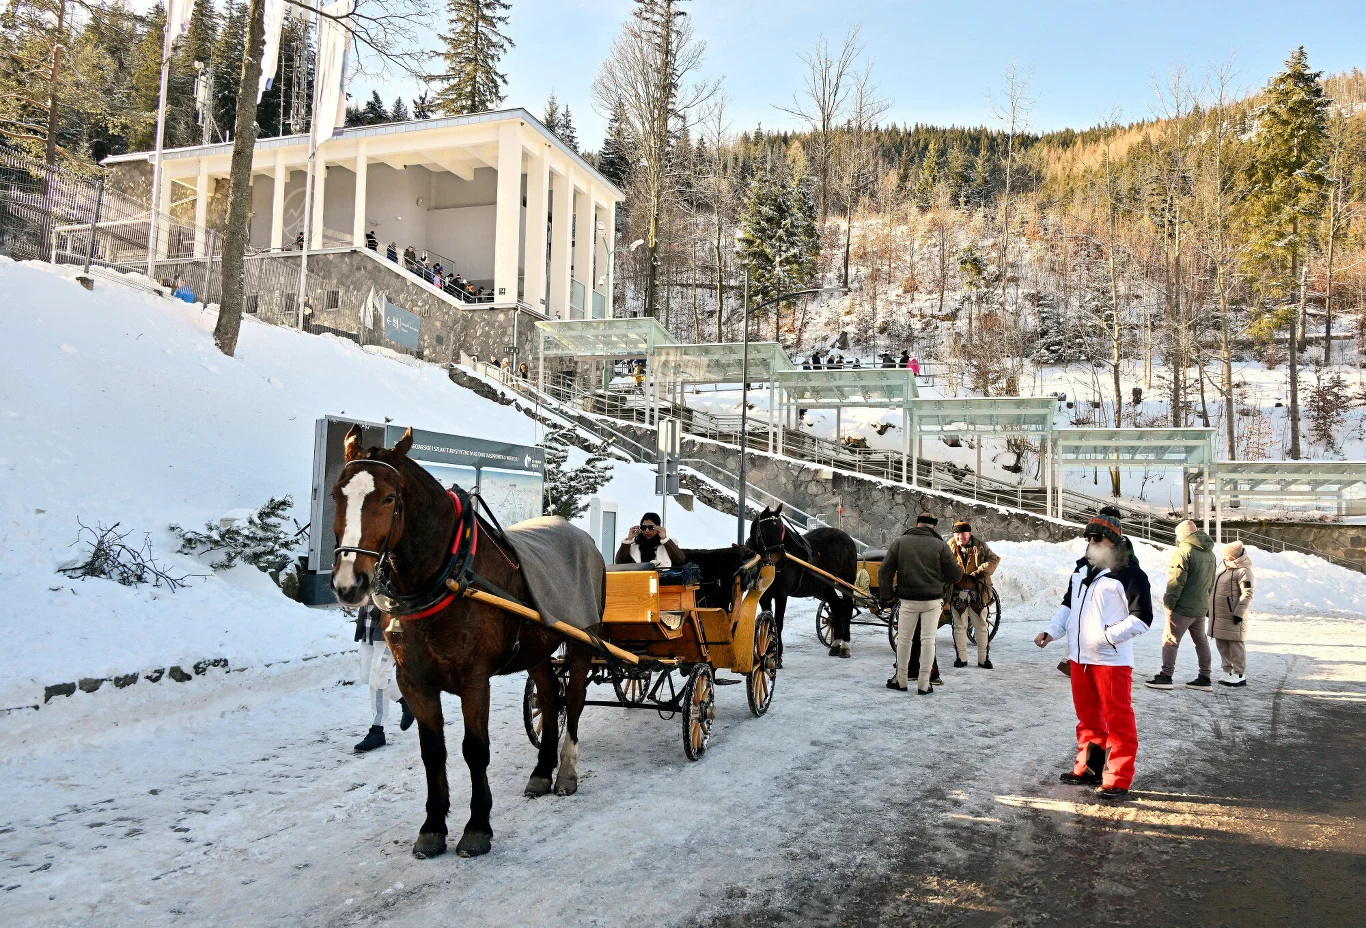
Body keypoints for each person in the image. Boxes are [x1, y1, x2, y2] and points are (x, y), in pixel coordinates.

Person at [1034, 506, 1153, 800]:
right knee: (1087, 717)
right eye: (1089, 537)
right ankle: (1089, 767)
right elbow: (1068, 606)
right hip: (1079, 658)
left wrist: (1106, 637)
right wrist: (1053, 632)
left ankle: (1117, 778)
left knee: (1117, 719)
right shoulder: (1081, 570)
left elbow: (1142, 618)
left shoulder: (1130, 574)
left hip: (1111, 661)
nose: (1091, 542)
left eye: (1098, 537)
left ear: (1113, 540)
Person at [881, 512, 962, 694]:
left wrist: (886, 597)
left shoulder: (900, 542)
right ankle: (924, 684)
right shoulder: (940, 545)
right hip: (933, 601)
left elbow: (884, 571)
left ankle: (901, 680)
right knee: (928, 641)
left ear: (916, 524)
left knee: (904, 640)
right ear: (933, 527)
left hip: (908, 599)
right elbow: (955, 575)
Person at [1146, 519, 1217, 691]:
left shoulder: (1183, 552)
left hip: (1182, 607)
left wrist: (1169, 603)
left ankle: (1166, 676)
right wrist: (1205, 602)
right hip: (1200, 607)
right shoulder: (1210, 553)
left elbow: (1176, 582)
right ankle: (1205, 677)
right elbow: (1211, 582)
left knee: (1170, 640)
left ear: (1183, 535)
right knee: (1201, 642)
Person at [353, 603, 414, 752]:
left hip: (391, 628)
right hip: (368, 629)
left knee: (379, 679)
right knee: (367, 677)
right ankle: (406, 702)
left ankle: (377, 730)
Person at [946, 521, 1000, 669]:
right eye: (957, 534)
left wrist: (980, 571)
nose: (960, 537)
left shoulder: (981, 546)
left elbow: (993, 560)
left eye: (963, 533)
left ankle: (983, 660)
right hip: (957, 594)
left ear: (969, 534)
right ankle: (961, 659)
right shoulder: (948, 547)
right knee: (959, 627)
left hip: (978, 593)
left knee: (981, 627)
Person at [1209, 540, 1255, 687]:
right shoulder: (1223, 567)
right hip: (1219, 614)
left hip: (1233, 614)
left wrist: (1239, 612)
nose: (1224, 557)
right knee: (1221, 643)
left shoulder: (1244, 571)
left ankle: (1239, 673)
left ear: (1234, 556)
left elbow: (1247, 593)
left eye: (1226, 555)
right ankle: (1227, 670)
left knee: (1235, 645)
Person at [615, 512, 685, 567]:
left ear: (658, 528)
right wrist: (629, 539)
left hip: (662, 583)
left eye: (651, 527)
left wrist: (665, 539)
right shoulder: (633, 546)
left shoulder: (667, 545)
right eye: (643, 527)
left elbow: (680, 560)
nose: (647, 530)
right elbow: (619, 562)